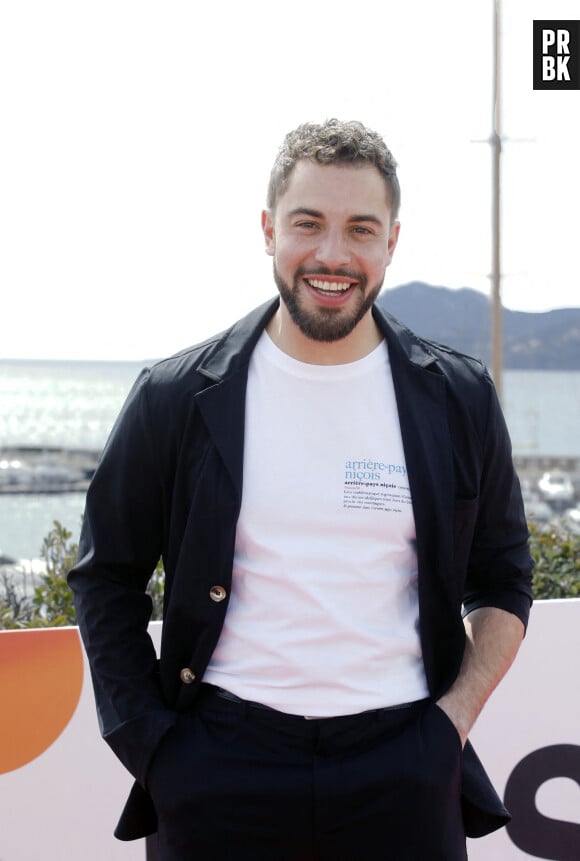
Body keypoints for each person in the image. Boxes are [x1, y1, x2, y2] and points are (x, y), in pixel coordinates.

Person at [69, 119, 533, 860]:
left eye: (360, 229)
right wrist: (154, 748)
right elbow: (105, 575)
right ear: (267, 229)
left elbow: (505, 580)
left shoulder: (457, 397)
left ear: (392, 242)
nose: (332, 255)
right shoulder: (175, 395)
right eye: (308, 224)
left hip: (405, 769)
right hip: (218, 765)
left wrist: (450, 724)